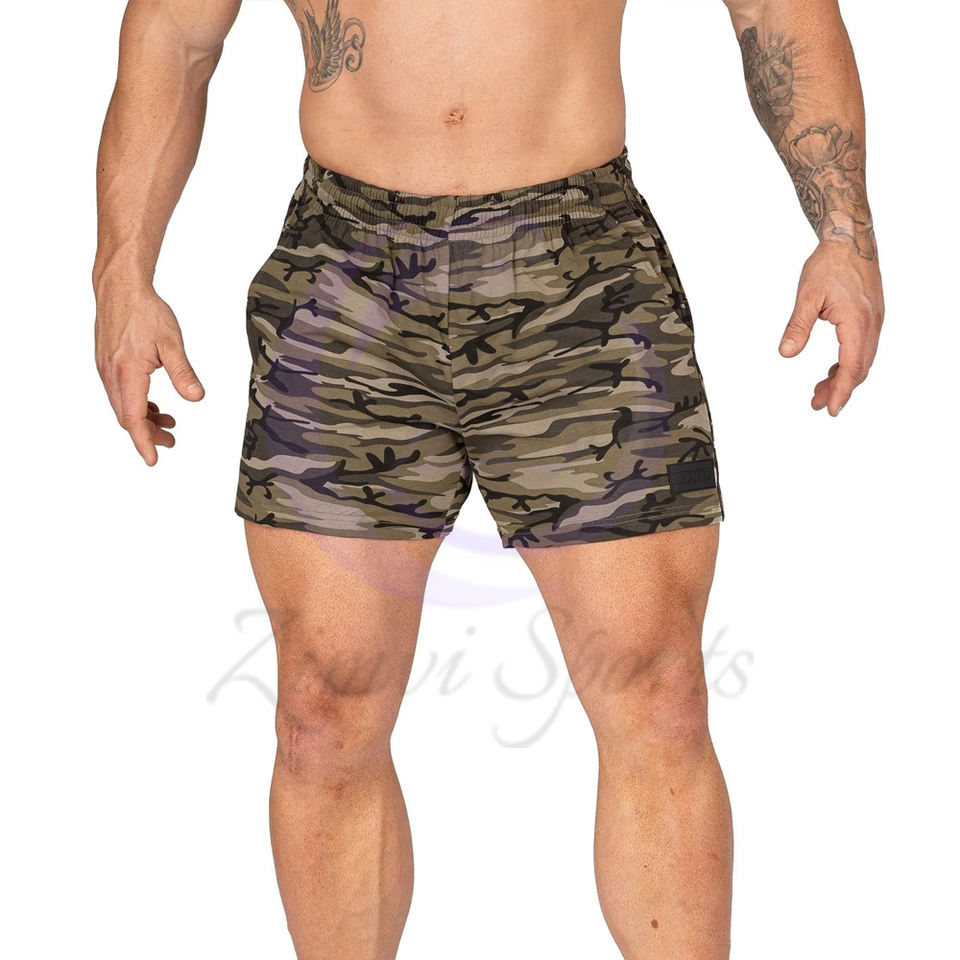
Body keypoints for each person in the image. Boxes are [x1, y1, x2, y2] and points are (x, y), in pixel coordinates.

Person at [92, 1, 884, 957]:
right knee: (323, 708)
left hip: (580, 264)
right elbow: (174, 34)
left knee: (656, 688)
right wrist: (121, 277)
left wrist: (845, 232)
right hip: (349, 272)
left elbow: (774, 9)